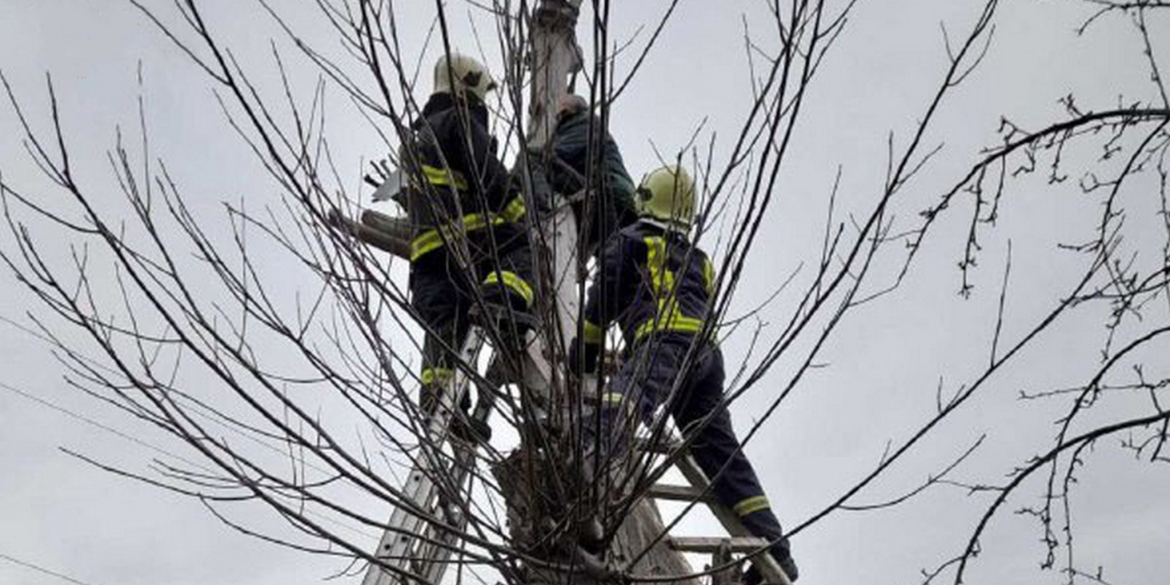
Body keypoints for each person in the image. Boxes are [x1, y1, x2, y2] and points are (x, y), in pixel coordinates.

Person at [568, 165, 799, 582]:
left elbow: (599, 309)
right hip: (706, 358)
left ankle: (587, 459)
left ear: (644, 199)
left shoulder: (628, 242)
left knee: (622, 402)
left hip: (664, 345)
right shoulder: (698, 258)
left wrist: (582, 359)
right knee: (720, 452)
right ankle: (775, 548)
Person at [402, 52, 535, 439]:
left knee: (446, 327)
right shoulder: (460, 120)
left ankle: (441, 401)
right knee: (520, 246)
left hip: (427, 257)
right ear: (468, 86)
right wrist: (517, 207)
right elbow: (485, 172)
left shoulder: (418, 136)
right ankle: (503, 301)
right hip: (470, 240)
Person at [535, 94, 638, 256]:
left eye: (559, 110)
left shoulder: (582, 123)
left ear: (567, 110)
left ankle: (540, 204)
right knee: (608, 261)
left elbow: (552, 156)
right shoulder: (590, 125)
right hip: (620, 202)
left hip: (608, 197)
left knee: (534, 158)